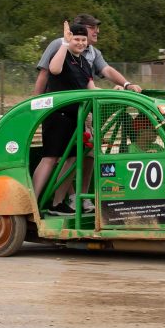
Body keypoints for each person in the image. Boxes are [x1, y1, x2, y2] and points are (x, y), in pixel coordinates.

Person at [31, 22, 96, 215]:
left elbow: (91, 89)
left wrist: (118, 89)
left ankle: (58, 203)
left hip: (74, 117)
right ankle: (31, 202)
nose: (81, 43)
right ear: (70, 39)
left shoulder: (84, 62)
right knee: (50, 158)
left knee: (73, 159)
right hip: (57, 116)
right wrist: (65, 44)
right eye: (77, 39)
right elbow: (55, 69)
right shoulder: (63, 53)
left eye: (83, 40)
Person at [33, 14, 141, 94]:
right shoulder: (59, 44)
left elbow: (106, 71)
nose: (97, 31)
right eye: (92, 28)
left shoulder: (93, 53)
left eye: (97, 28)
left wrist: (126, 85)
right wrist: (34, 104)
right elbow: (45, 74)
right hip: (58, 103)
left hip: (81, 103)